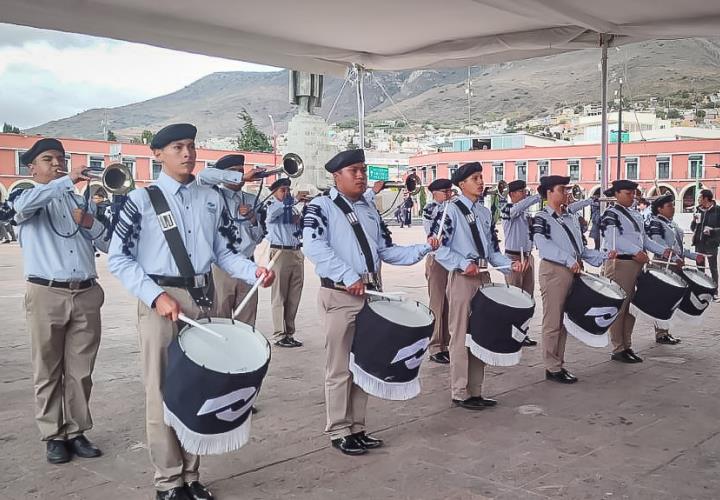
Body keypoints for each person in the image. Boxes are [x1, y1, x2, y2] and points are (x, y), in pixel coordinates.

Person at [108, 124, 274, 500]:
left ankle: (191, 474)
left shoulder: (210, 199)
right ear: (157, 154)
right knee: (163, 390)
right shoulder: (141, 200)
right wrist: (154, 296)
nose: (187, 153)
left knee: (198, 388)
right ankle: (168, 481)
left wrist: (254, 270)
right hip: (161, 300)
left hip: (202, 296)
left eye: (191, 146)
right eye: (177, 147)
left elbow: (224, 252)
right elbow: (118, 259)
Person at [302, 149, 438, 455]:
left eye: (363, 169)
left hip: (370, 294)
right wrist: (347, 274)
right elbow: (313, 246)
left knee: (363, 364)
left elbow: (385, 250)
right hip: (339, 294)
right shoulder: (320, 207)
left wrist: (422, 249)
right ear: (337, 176)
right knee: (339, 367)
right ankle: (338, 429)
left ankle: (358, 427)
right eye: (354, 170)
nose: (361, 175)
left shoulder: (368, 209)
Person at [9, 138, 110, 464]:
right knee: (47, 368)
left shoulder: (79, 201)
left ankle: (76, 430)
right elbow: (23, 210)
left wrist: (89, 222)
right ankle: (53, 434)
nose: (57, 164)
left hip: (85, 291)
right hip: (45, 292)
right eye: (48, 159)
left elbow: (108, 243)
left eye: (60, 159)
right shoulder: (25, 196)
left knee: (81, 371)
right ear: (31, 167)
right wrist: (67, 180)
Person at [434, 162, 521, 410]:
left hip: (483, 276)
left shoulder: (483, 213)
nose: (481, 181)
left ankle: (476, 390)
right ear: (462, 185)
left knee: (480, 333)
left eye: (481, 177)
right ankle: (460, 391)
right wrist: (461, 264)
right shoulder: (449, 210)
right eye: (475, 178)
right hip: (463, 278)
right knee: (460, 335)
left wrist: (509, 266)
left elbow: (492, 250)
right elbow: (439, 248)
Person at [531, 176, 613, 384]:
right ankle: (552, 366)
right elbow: (543, 246)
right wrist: (568, 260)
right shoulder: (541, 218)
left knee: (565, 321)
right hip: (555, 271)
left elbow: (581, 249)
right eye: (562, 189)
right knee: (553, 321)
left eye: (567, 189)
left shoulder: (570, 217)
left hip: (574, 268)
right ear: (549, 192)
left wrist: (603, 256)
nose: (567, 192)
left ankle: (559, 363)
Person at [600, 180, 671, 364]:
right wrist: (635, 252)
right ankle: (618, 348)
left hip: (636, 263)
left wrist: (663, 250)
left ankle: (627, 345)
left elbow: (644, 239)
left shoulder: (635, 214)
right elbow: (613, 238)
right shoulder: (611, 213)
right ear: (616, 194)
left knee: (631, 308)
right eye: (628, 193)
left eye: (634, 193)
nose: (632, 196)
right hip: (621, 263)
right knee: (620, 307)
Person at [197, 154, 264, 324]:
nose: (239, 175)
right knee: (220, 319)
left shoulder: (252, 200)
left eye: (241, 171)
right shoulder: (212, 195)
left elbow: (258, 238)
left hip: (248, 264)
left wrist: (252, 219)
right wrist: (240, 177)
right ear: (221, 174)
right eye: (233, 172)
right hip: (221, 269)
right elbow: (203, 176)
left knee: (247, 321)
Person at [646, 193, 705, 344]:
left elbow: (678, 248)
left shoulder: (671, 224)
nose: (672, 208)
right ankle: (660, 333)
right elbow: (660, 246)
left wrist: (693, 256)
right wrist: (675, 258)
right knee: (662, 299)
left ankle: (665, 331)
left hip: (674, 264)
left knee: (669, 299)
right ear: (659, 209)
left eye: (672, 205)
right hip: (663, 263)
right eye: (669, 206)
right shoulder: (656, 223)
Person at [264, 177, 305, 347]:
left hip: (296, 251)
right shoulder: (272, 206)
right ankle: (279, 334)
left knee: (294, 296)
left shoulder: (292, 208)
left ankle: (289, 332)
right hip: (279, 252)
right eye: (283, 190)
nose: (287, 193)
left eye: (288, 190)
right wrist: (293, 200)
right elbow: (272, 216)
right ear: (274, 192)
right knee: (279, 295)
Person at [500, 179, 540, 347]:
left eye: (525, 191)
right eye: (521, 192)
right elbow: (517, 208)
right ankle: (509, 334)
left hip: (527, 257)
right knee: (514, 298)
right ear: (512, 194)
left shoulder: (524, 213)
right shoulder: (508, 209)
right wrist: (539, 196)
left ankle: (522, 333)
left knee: (527, 298)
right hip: (513, 258)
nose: (525, 194)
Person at [422, 178, 454, 363]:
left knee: (448, 304)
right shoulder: (430, 208)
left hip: (450, 259)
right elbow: (432, 233)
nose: (449, 195)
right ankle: (434, 347)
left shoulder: (450, 207)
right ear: (435, 193)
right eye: (445, 192)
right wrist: (450, 204)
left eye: (450, 191)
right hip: (437, 259)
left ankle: (445, 343)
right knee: (437, 304)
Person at [691, 189, 720, 300]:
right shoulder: (698, 210)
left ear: (706, 198)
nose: (698, 200)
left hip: (711, 244)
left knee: (713, 268)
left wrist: (712, 231)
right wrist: (694, 221)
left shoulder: (717, 210)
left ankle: (715, 292)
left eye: (700, 197)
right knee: (700, 268)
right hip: (699, 243)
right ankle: (701, 290)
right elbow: (693, 228)